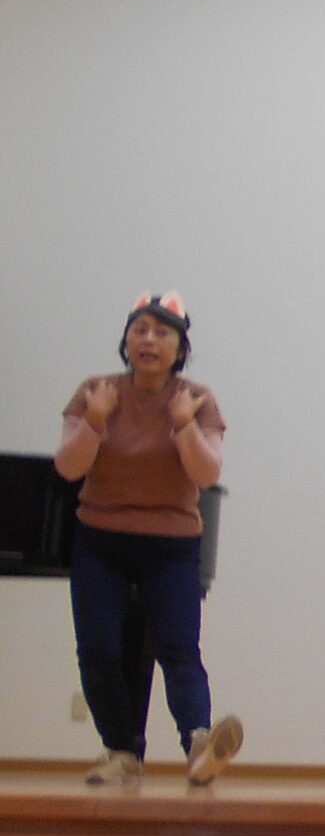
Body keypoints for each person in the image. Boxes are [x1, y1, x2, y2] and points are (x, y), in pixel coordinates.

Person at [53, 291, 244, 785]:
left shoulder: (197, 399)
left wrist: (183, 425)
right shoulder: (95, 392)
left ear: (180, 348)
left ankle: (199, 746)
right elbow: (69, 466)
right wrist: (95, 420)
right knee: (98, 651)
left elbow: (206, 473)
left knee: (178, 649)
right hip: (101, 541)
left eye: (162, 333)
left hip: (171, 546)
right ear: (126, 341)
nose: (149, 340)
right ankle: (121, 752)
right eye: (139, 329)